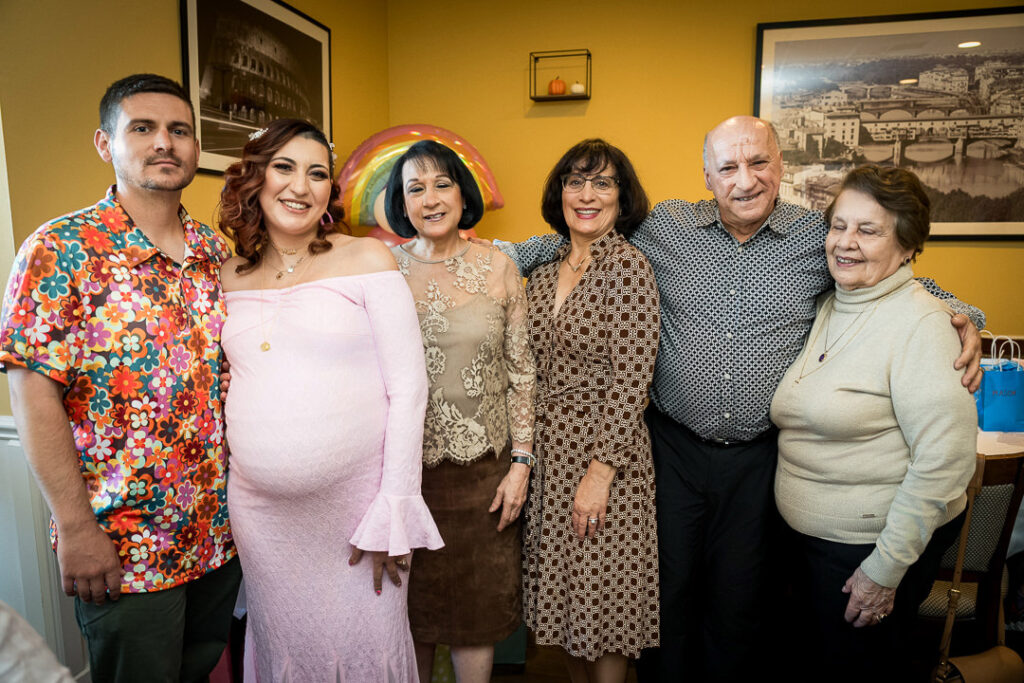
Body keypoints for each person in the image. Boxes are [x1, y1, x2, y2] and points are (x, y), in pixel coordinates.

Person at [498, 116, 985, 681]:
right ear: (707, 175)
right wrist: (493, 255)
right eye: (728, 166)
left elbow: (898, 274)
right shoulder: (665, 227)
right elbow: (576, 232)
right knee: (665, 595)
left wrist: (965, 317)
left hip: (761, 458)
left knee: (741, 604)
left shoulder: (817, 238)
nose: (744, 180)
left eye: (758, 163)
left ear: (781, 168)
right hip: (670, 450)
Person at [0, 73, 242, 682]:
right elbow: (33, 396)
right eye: (143, 128)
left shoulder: (218, 253)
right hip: (125, 547)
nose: (165, 142)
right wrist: (77, 528)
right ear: (105, 144)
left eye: (179, 130)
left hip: (220, 534)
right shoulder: (61, 249)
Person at [218, 118, 443, 682]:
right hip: (262, 517)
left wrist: (394, 508)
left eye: (317, 173)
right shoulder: (225, 275)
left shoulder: (367, 259)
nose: (301, 186)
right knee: (283, 643)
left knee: (366, 642)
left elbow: (409, 389)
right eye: (284, 168)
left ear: (328, 193)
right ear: (255, 178)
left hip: (357, 511)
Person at [770, 165, 976, 680]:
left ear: (907, 245)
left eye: (868, 230)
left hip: (866, 556)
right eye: (838, 226)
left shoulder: (923, 326)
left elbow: (945, 463)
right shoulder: (831, 303)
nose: (845, 243)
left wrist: (883, 570)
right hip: (809, 547)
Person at [383, 140, 537, 683]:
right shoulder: (382, 269)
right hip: (404, 474)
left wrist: (521, 464)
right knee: (411, 616)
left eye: (441, 183)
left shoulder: (499, 266)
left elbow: (522, 374)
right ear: (401, 203)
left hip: (485, 477)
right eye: (415, 188)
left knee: (476, 614)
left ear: (462, 192)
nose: (430, 198)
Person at [521, 139, 660, 683]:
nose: (587, 194)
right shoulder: (549, 262)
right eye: (575, 182)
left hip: (608, 459)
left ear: (622, 199)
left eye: (603, 183)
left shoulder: (628, 267)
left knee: (605, 605)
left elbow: (632, 383)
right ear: (560, 193)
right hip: (552, 456)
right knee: (567, 608)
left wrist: (600, 473)